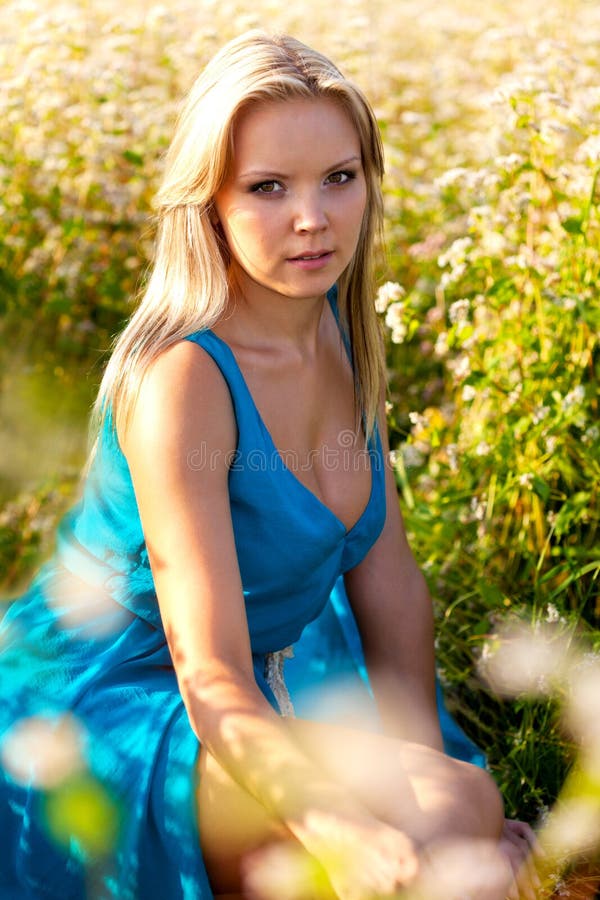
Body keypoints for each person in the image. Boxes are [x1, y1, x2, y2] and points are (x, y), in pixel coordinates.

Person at [0, 31, 539, 900]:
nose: (312, 218)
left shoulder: (341, 335)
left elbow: (394, 593)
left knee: (459, 805)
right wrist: (341, 828)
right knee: (441, 826)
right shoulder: (184, 380)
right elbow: (208, 672)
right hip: (117, 707)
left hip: (265, 692)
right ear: (209, 204)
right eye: (267, 187)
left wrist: (434, 792)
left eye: (339, 177)